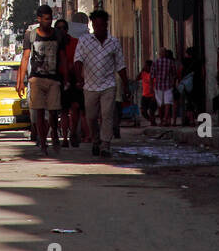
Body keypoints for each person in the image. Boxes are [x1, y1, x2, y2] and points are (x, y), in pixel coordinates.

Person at [73, 9, 128, 158]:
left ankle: (105, 145)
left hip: (108, 85)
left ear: (106, 25)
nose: (99, 29)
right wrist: (79, 79)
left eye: (102, 26)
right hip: (90, 86)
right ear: (92, 25)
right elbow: (78, 61)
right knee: (91, 117)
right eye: (96, 26)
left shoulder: (114, 42)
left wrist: (126, 85)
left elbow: (120, 65)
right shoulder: (84, 41)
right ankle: (95, 140)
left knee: (107, 115)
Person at [17, 5, 68, 155]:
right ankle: (43, 141)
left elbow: (63, 58)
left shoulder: (58, 35)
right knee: (38, 111)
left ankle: (54, 136)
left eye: (50, 18)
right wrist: (20, 82)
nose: (48, 21)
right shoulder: (31, 36)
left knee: (53, 112)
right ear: (39, 19)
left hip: (53, 79)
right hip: (36, 79)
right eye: (45, 19)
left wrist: (65, 78)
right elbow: (25, 58)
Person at [55, 18, 82, 147]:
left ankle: (74, 133)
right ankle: (65, 137)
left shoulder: (75, 43)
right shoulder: (53, 44)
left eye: (63, 28)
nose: (61, 31)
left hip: (74, 78)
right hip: (59, 78)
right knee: (64, 110)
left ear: (67, 30)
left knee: (75, 107)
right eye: (58, 28)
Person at [151, 49, 177, 127]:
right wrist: (173, 83)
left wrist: (151, 86)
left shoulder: (155, 62)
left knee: (160, 104)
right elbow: (174, 74)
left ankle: (162, 119)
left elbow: (152, 76)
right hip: (168, 85)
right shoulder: (170, 62)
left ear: (159, 54)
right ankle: (165, 119)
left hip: (158, 86)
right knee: (167, 103)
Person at [138, 59, 157, 124]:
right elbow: (136, 78)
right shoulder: (143, 73)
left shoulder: (154, 74)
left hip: (152, 95)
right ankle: (150, 119)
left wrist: (154, 96)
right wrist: (141, 70)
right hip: (145, 95)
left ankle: (153, 121)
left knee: (152, 110)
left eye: (146, 66)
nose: (144, 67)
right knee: (143, 111)